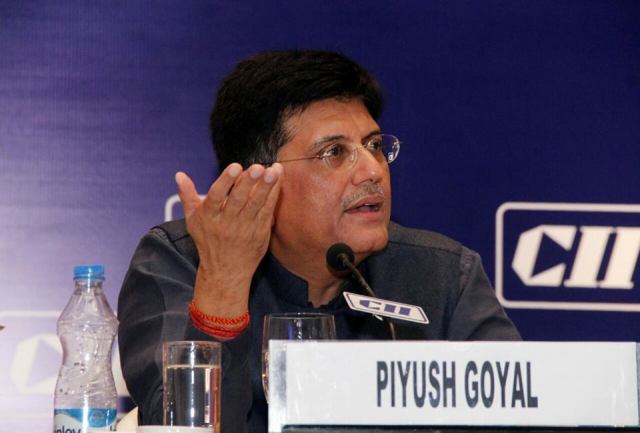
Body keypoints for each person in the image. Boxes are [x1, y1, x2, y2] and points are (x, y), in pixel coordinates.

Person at [117, 50, 520, 433]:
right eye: (335, 152)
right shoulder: (180, 262)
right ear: (258, 181)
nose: (372, 170)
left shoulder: (442, 275)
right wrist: (224, 281)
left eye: (375, 146)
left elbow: (520, 416)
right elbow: (184, 425)